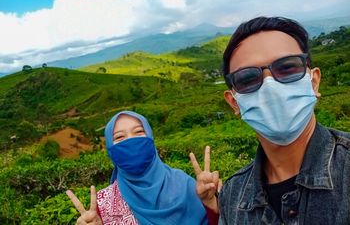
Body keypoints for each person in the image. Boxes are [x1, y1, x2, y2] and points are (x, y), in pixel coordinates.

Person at [190, 17, 350, 224]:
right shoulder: (232, 196)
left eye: (288, 68)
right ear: (234, 102)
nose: (270, 86)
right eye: (247, 78)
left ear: (314, 81)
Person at [67, 110, 209, 225]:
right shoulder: (103, 204)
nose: (131, 140)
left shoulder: (185, 183)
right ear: (110, 149)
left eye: (139, 132)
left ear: (151, 138)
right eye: (120, 137)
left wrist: (213, 202)